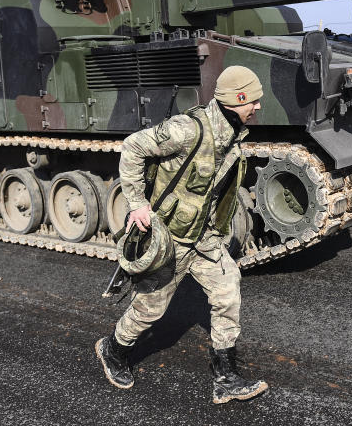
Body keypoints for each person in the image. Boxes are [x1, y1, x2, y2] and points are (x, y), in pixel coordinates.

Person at [95, 65, 269, 404]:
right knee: (149, 310)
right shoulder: (187, 130)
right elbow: (132, 147)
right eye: (254, 100)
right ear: (239, 99)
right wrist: (137, 204)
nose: (258, 107)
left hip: (203, 235)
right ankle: (112, 348)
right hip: (170, 238)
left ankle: (225, 377)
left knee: (227, 289)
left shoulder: (232, 132)